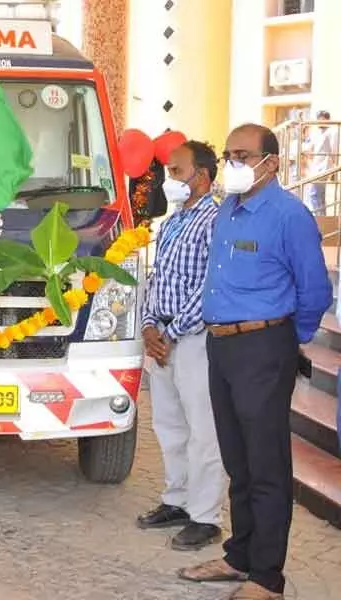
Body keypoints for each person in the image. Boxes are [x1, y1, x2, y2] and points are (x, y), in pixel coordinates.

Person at [180, 124, 332, 600]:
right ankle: (239, 555)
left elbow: (315, 291)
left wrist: (288, 340)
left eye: (243, 155)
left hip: (263, 347)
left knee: (266, 464)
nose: (233, 165)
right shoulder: (229, 209)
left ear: (273, 162)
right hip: (221, 345)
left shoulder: (290, 216)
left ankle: (267, 577)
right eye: (229, 156)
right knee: (237, 459)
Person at [137, 141, 224, 551]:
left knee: (202, 430)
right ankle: (177, 500)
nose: (168, 178)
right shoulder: (173, 220)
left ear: (202, 176)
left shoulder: (216, 219)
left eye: (176, 171)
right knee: (168, 426)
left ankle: (205, 516)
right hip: (163, 338)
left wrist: (171, 334)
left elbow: (210, 285)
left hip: (194, 339)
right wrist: (150, 325)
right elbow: (160, 278)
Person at [304, 110, 337, 216]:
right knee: (318, 195)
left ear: (327, 119)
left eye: (321, 119)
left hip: (324, 168)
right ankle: (321, 217)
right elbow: (310, 149)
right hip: (316, 167)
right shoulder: (317, 133)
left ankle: (319, 217)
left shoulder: (332, 132)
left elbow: (334, 151)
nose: (318, 122)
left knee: (314, 194)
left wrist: (334, 170)